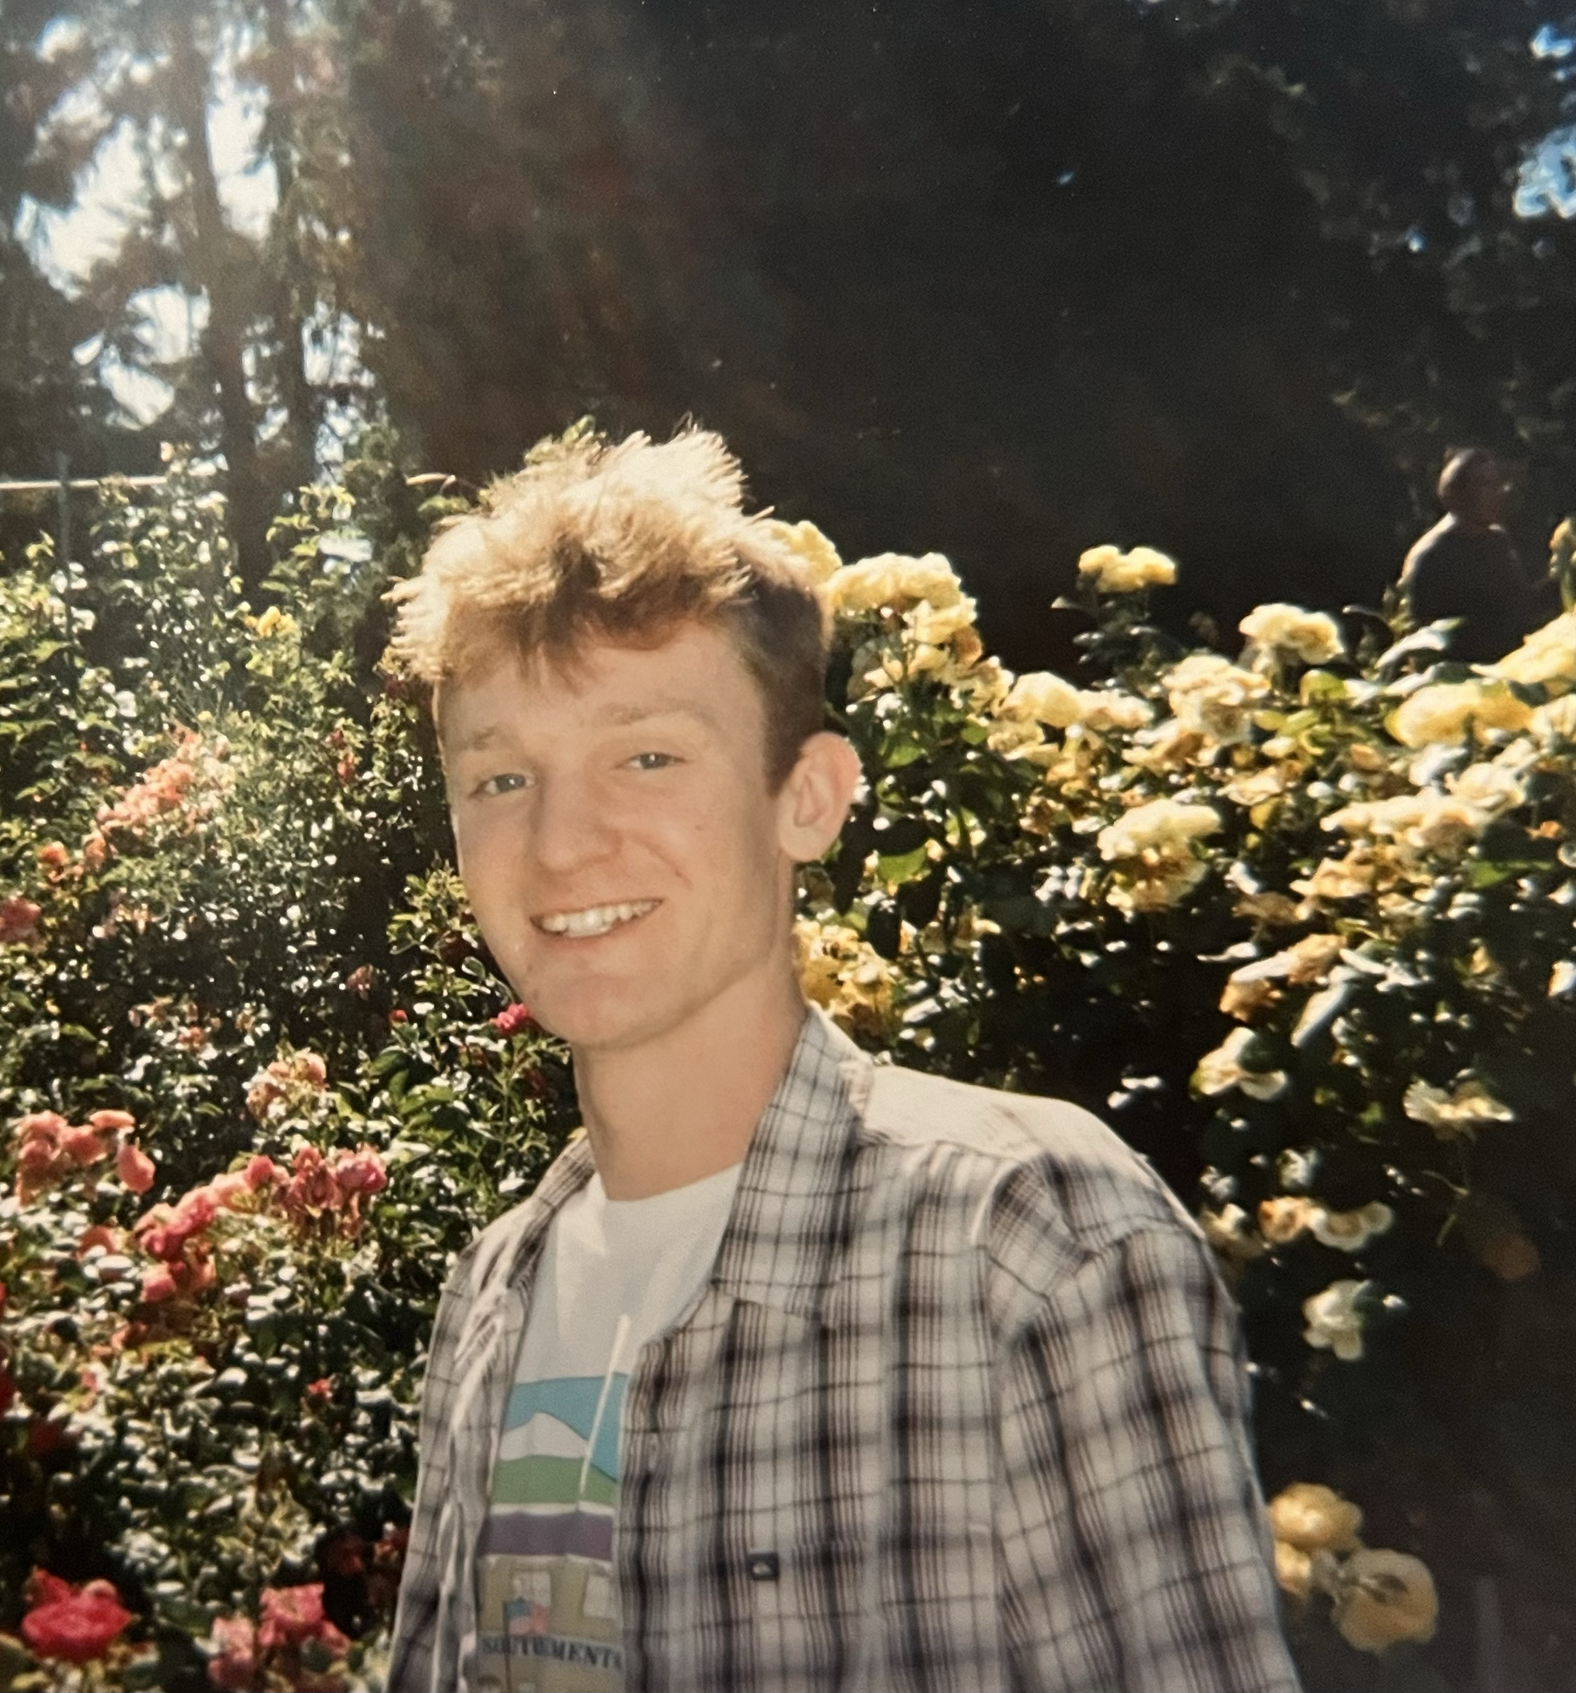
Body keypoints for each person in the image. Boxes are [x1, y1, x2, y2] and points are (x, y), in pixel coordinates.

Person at [379, 428, 1300, 1693]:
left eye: (646, 756)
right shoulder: (494, 1296)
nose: (561, 842)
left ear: (805, 799)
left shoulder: (1029, 1241)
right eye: (498, 776)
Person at [1400, 447, 1544, 664]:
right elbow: (1429, 639)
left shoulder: (1497, 540)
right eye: (1488, 485)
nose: (1501, 491)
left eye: (1498, 483)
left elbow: (1518, 605)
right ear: (1458, 493)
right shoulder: (1431, 557)